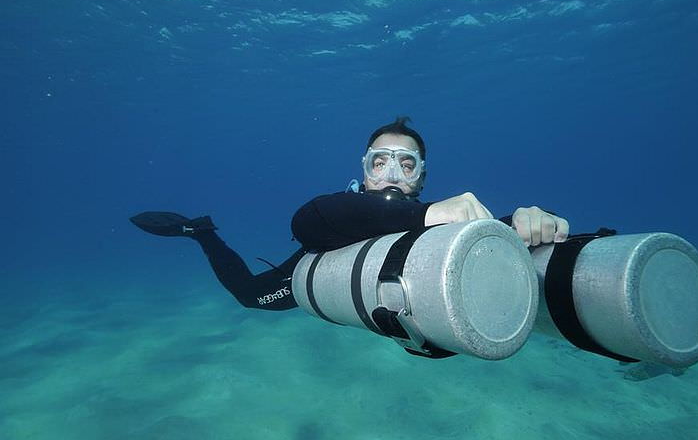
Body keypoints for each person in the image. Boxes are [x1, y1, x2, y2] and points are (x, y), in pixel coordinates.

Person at [131, 117, 569, 315]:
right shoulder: (344, 210)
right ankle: (203, 233)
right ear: (363, 171)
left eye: (407, 164)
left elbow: (499, 227)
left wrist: (535, 220)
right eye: (380, 162)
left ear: (421, 176)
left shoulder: (435, 217)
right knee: (249, 296)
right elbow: (308, 221)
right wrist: (429, 211)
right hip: (322, 265)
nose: (392, 174)